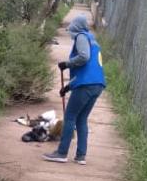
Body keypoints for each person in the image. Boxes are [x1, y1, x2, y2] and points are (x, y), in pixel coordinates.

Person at [42, 15, 105, 166]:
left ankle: (62, 153)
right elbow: (87, 70)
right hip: (97, 85)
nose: (70, 34)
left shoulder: (81, 37)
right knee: (81, 119)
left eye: (71, 30)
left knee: (70, 117)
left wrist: (68, 64)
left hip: (86, 85)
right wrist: (68, 87)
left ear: (76, 27)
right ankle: (81, 156)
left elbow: (84, 57)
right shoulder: (93, 41)